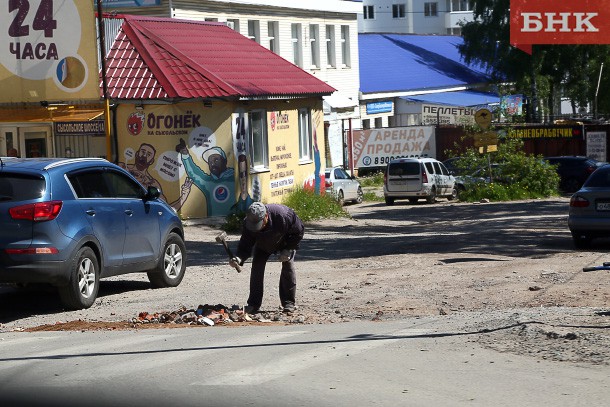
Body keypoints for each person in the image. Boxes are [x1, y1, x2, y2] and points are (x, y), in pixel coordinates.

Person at [230, 202, 304, 314]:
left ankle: (288, 303)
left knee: (288, 265)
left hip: (285, 241)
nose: (256, 228)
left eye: (259, 224)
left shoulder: (283, 215)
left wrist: (288, 249)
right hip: (263, 245)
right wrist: (239, 258)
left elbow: (298, 231)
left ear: (266, 216)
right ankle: (254, 304)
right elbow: (246, 243)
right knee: (257, 267)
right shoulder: (248, 222)